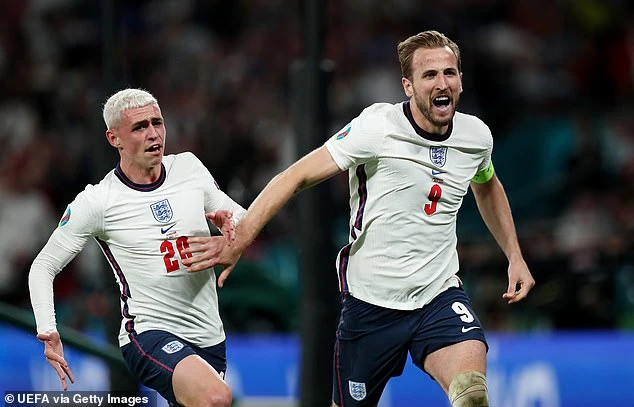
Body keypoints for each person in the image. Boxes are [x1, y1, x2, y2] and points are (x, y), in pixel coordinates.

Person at [183, 30, 535, 407]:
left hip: (438, 295)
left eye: (449, 73)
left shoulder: (475, 136)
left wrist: (514, 255)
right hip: (371, 304)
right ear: (408, 86)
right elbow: (295, 176)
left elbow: (487, 184)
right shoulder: (378, 127)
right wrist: (242, 237)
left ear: (461, 80)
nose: (441, 83)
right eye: (429, 75)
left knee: (472, 394)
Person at [28, 88, 246, 407]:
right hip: (148, 333)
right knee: (216, 397)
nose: (153, 134)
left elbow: (241, 217)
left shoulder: (188, 168)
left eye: (157, 123)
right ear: (114, 138)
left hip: (209, 335)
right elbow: (43, 267)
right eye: (140, 127)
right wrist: (48, 329)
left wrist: (231, 228)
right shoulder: (98, 201)